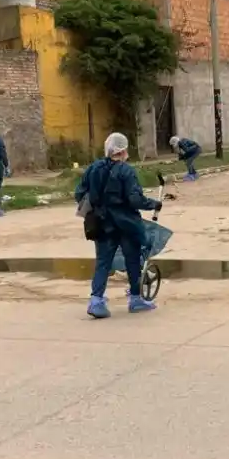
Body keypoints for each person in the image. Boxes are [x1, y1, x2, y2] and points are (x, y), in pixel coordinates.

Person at [75, 132, 162, 319]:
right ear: (122, 151)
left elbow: (79, 193)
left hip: (101, 223)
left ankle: (96, 301)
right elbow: (134, 199)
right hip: (126, 224)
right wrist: (153, 204)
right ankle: (136, 299)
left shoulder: (93, 169)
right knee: (132, 259)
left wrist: (95, 205)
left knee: (103, 262)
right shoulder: (126, 171)